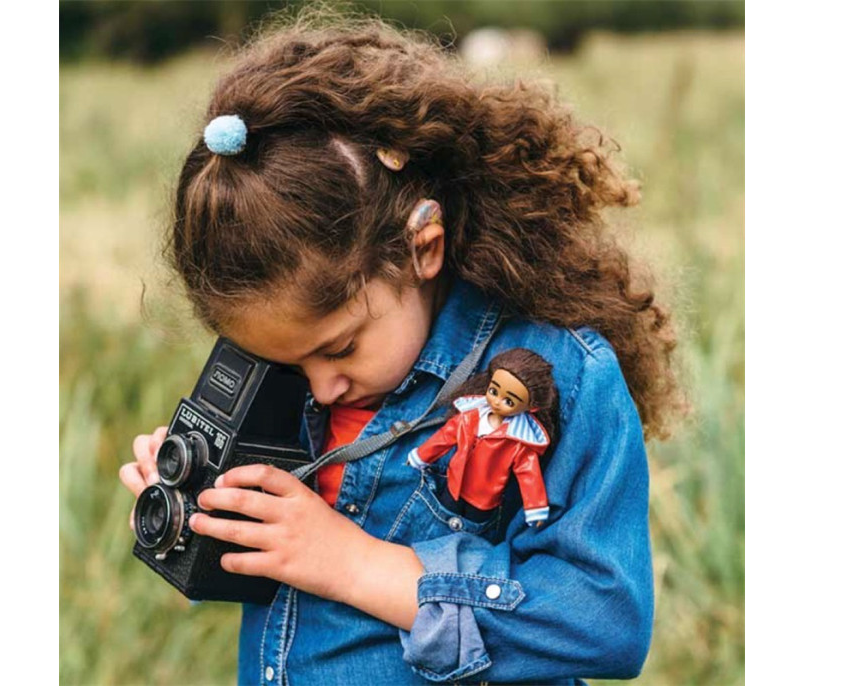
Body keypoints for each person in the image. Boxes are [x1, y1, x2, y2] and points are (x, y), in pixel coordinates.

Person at [119, 5, 684, 684]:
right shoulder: (298, 368)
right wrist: (204, 514)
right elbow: (289, 595)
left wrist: (357, 564)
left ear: (424, 247)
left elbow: (605, 621)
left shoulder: (556, 376)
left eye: (341, 348)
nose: (321, 386)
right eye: (287, 359)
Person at [406, 348, 557, 527]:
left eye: (509, 401)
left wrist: (535, 507)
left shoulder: (518, 442)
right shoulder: (469, 417)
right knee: (440, 515)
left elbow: (528, 474)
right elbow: (442, 439)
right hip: (454, 484)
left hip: (483, 499)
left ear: (531, 407)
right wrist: (421, 456)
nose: (496, 401)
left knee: (473, 527)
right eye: (493, 391)